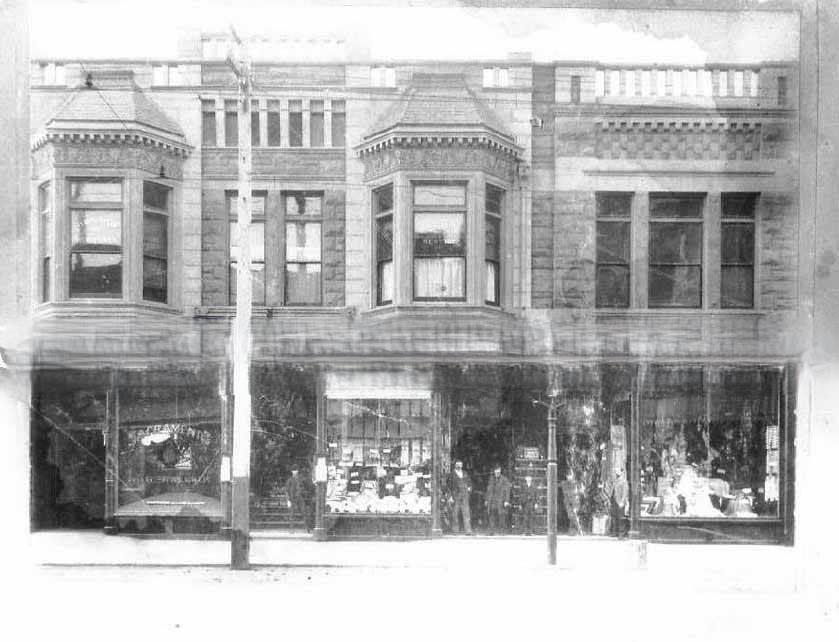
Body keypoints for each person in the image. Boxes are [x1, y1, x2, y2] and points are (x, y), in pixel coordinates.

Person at [485, 466, 511, 535]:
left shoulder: (504, 479)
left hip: (501, 501)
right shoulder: (491, 479)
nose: (497, 472)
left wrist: (506, 501)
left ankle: (502, 531)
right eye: (496, 471)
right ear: (494, 471)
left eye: (498, 471)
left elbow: (507, 491)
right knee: (492, 516)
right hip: (492, 501)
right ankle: (491, 531)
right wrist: (486, 500)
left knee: (501, 516)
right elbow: (488, 490)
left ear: (500, 471)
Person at [448, 460, 473, 535]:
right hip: (455, 496)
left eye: (460, 464)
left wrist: (469, 488)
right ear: (455, 465)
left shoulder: (465, 473)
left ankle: (468, 531)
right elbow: (449, 487)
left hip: (464, 496)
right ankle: (455, 531)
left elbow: (470, 483)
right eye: (457, 464)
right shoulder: (451, 475)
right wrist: (450, 497)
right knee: (455, 513)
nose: (459, 466)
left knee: (466, 513)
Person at [560, 470, 583, 535]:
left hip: (575, 502)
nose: (569, 477)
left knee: (574, 515)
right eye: (568, 476)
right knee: (571, 516)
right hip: (568, 503)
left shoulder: (576, 483)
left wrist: (578, 493)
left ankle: (579, 530)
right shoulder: (564, 483)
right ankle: (573, 530)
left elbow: (580, 491)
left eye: (570, 475)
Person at [611, 469, 629, 538]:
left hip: (620, 502)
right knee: (615, 517)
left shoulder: (623, 481)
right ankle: (615, 532)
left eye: (617, 473)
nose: (616, 474)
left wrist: (622, 501)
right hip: (615, 501)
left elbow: (625, 493)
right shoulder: (616, 481)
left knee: (621, 518)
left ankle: (621, 534)